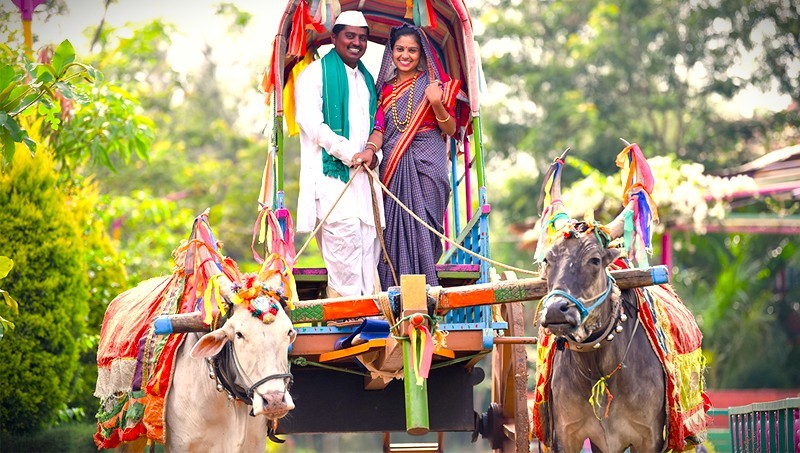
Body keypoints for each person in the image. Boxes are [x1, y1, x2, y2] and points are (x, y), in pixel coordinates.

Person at [362, 24, 461, 290]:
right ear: (391, 52)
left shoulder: (433, 85)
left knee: (426, 224)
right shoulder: (382, 90)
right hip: (393, 162)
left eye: (412, 50)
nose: (405, 55)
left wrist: (437, 102)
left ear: (422, 54)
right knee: (393, 227)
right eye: (400, 49)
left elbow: (451, 129)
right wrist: (370, 150)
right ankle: (395, 291)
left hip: (430, 158)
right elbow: (379, 129)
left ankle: (426, 288)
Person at [294, 10, 383, 298]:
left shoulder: (368, 81)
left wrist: (369, 154)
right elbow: (312, 124)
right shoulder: (314, 75)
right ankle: (348, 326)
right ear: (335, 38)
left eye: (362, 38)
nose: (356, 42)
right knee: (344, 252)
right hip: (333, 182)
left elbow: (377, 127)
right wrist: (349, 153)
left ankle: (369, 327)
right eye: (350, 36)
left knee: (369, 251)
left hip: (365, 182)